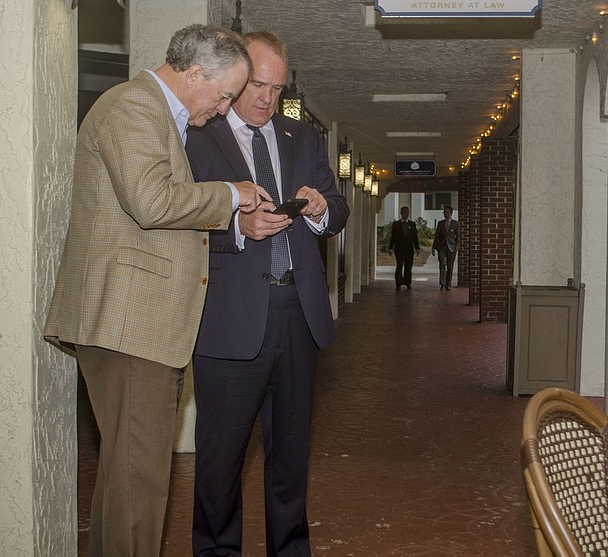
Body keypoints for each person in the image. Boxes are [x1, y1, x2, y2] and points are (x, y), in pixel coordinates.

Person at [44, 25, 271, 557]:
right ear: (194, 73)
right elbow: (150, 201)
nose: (221, 109)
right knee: (138, 481)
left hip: (141, 327)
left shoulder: (159, 116)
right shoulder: (134, 106)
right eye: (221, 95)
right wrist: (228, 196)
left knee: (129, 479)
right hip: (130, 325)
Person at [184, 31, 349, 557]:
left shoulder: (302, 139)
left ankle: (290, 549)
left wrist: (322, 209)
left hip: (297, 317)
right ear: (234, 77)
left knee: (290, 459)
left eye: (277, 89)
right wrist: (237, 228)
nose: (266, 99)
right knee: (219, 461)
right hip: (229, 323)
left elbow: (340, 208)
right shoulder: (196, 137)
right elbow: (174, 217)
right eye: (258, 84)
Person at [388, 206, 420, 290]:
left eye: (408, 212)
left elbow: (415, 237)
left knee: (408, 266)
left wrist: (417, 248)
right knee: (399, 265)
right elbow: (393, 237)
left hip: (409, 249)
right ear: (401, 213)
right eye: (405, 212)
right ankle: (398, 283)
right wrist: (390, 248)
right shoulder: (396, 224)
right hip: (399, 248)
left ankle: (407, 282)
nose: (406, 214)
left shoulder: (412, 224)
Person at [431, 205, 460, 290]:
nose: (445, 214)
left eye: (446, 212)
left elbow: (458, 237)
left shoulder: (456, 223)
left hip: (452, 247)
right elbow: (437, 236)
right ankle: (442, 283)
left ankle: (448, 283)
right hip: (442, 247)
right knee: (442, 264)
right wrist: (434, 247)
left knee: (450, 266)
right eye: (444, 212)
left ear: (451, 213)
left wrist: (457, 247)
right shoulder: (440, 223)